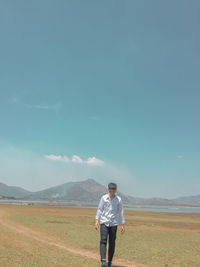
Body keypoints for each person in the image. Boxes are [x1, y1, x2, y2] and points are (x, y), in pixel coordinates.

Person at [94, 182, 125, 267]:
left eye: (113, 191)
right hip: (104, 222)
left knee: (112, 243)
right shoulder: (104, 198)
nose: (112, 193)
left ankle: (110, 262)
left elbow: (120, 212)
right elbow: (100, 209)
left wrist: (123, 224)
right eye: (110, 191)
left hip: (113, 224)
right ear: (108, 190)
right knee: (103, 241)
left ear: (116, 191)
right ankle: (103, 261)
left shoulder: (119, 200)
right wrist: (97, 220)